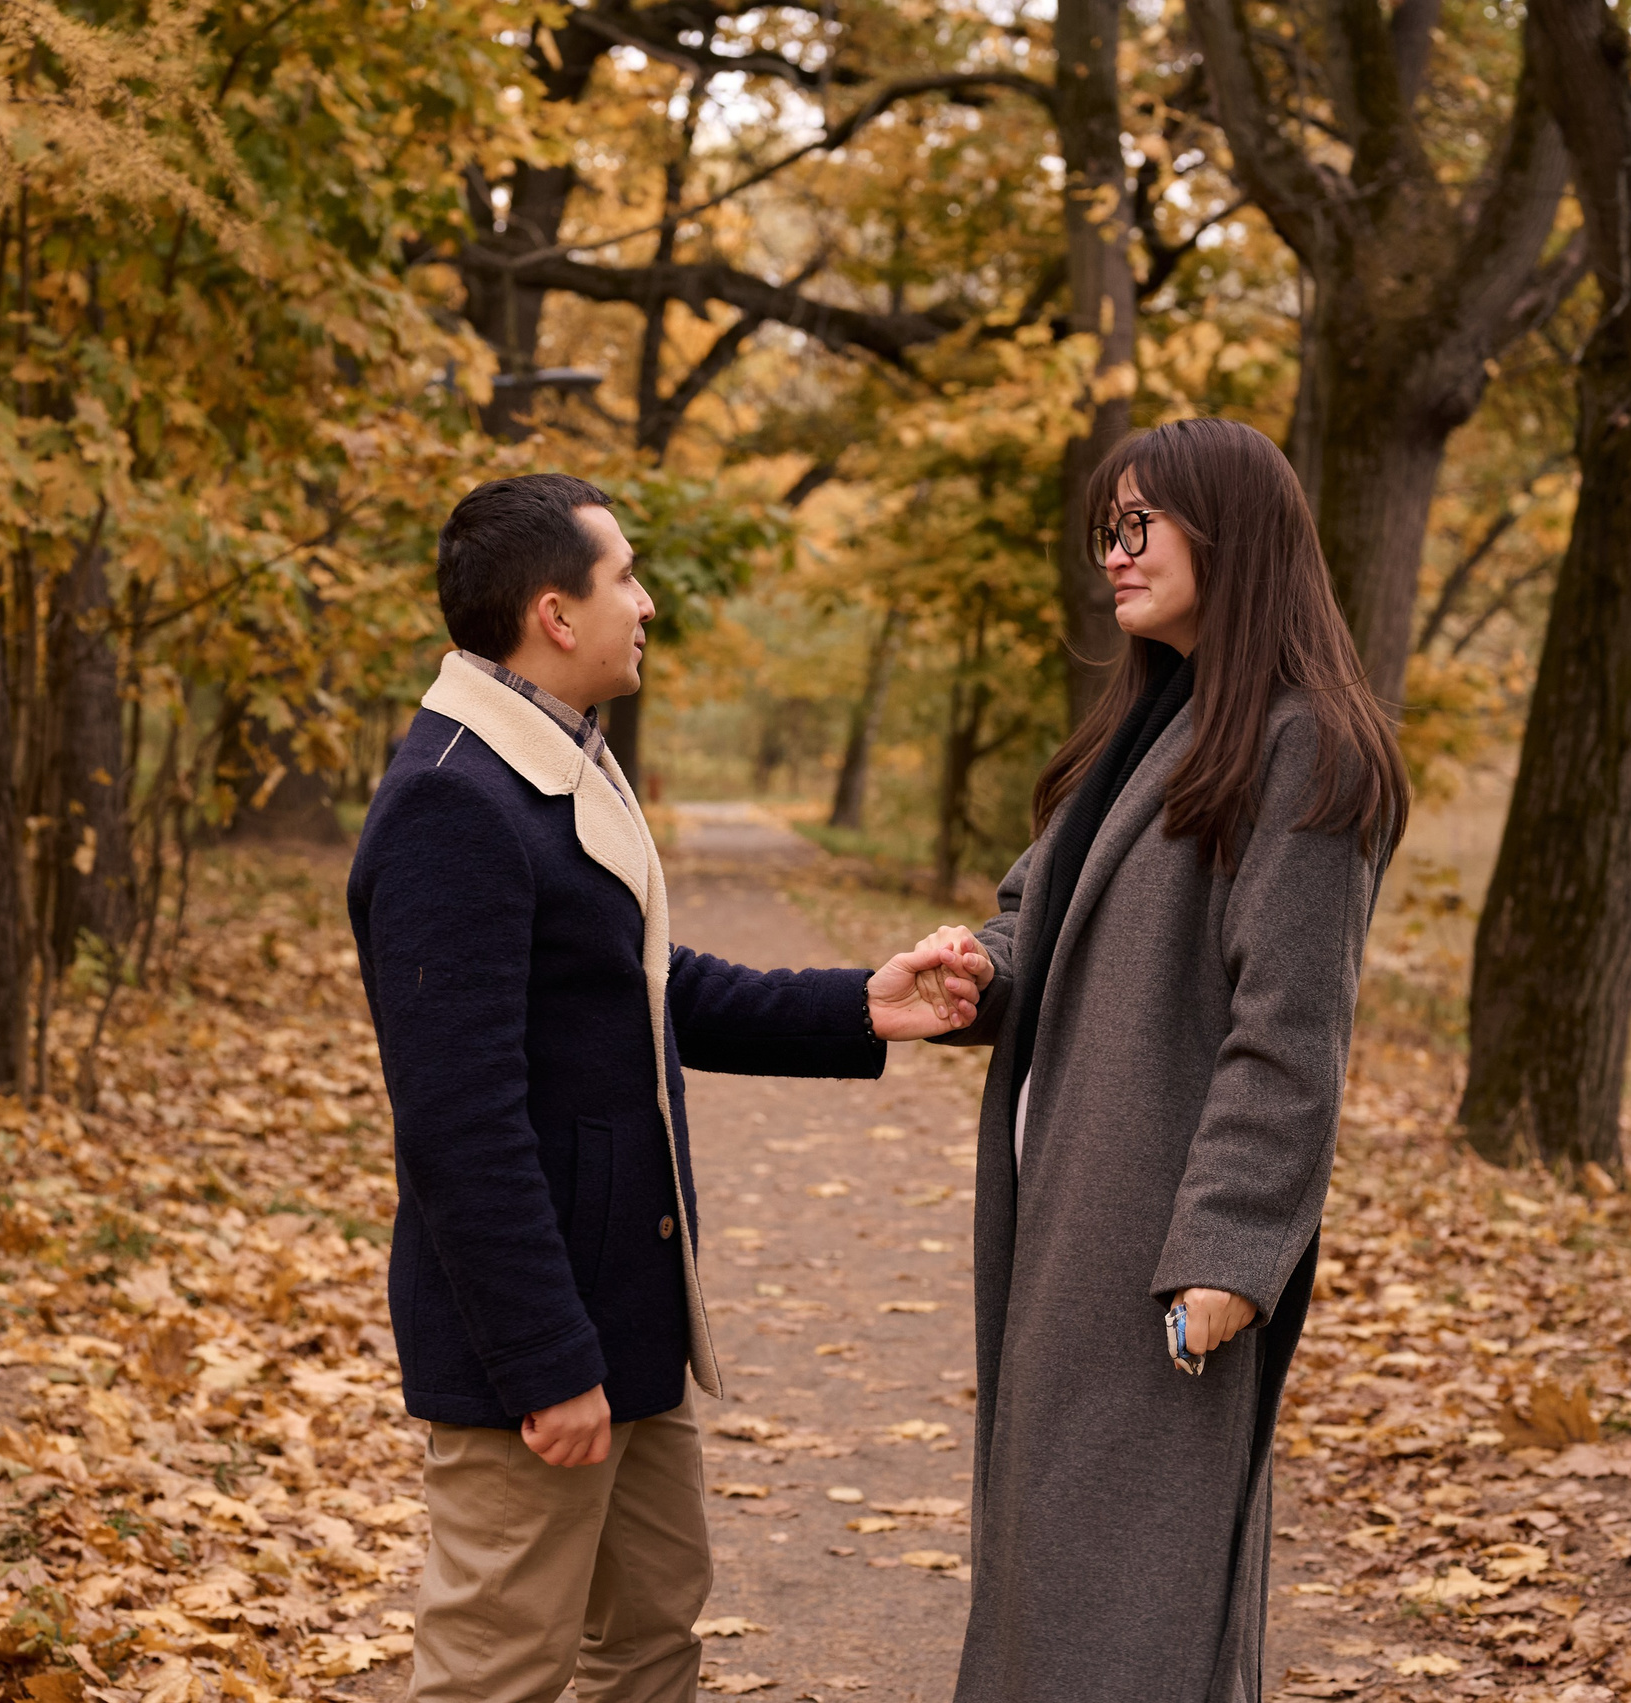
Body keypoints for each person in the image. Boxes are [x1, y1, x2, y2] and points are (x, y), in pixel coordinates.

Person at [347, 472, 989, 1703]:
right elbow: (456, 1119)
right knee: (498, 1668)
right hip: (535, 1344)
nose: (645, 602)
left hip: (627, 1309)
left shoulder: (556, 762)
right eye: (624, 579)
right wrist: (544, 1361)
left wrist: (864, 1003)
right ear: (553, 611)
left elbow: (645, 983)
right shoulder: (453, 797)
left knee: (646, 1642)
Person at [925, 418, 1408, 1703]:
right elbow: (1041, 913)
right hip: (1066, 1216)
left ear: (1228, 534)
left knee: (1138, 1580)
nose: (1113, 556)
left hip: (1162, 1254)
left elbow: (1289, 1033)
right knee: (1050, 1555)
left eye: (1140, 525)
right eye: (1108, 527)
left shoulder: (1304, 744)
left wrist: (1224, 1252)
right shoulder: (1152, 723)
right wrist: (978, 968)